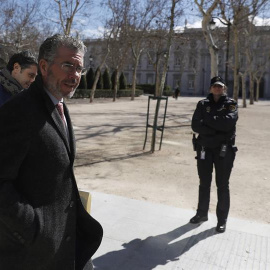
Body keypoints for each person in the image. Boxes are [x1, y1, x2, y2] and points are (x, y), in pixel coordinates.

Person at [0, 34, 103, 270]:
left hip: (65, 246)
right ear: (44, 66)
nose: (75, 75)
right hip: (32, 255)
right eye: (68, 65)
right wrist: (36, 230)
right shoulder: (18, 111)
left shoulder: (60, 106)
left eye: (79, 68)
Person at [190, 76, 238, 233]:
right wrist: (216, 128)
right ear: (210, 88)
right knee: (204, 183)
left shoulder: (231, 104)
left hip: (223, 151)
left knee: (222, 185)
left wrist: (208, 122)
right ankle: (201, 213)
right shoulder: (202, 104)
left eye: (220, 86)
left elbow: (228, 123)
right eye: (215, 86)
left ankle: (222, 220)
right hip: (204, 149)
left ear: (224, 88)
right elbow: (195, 125)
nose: (217, 89)